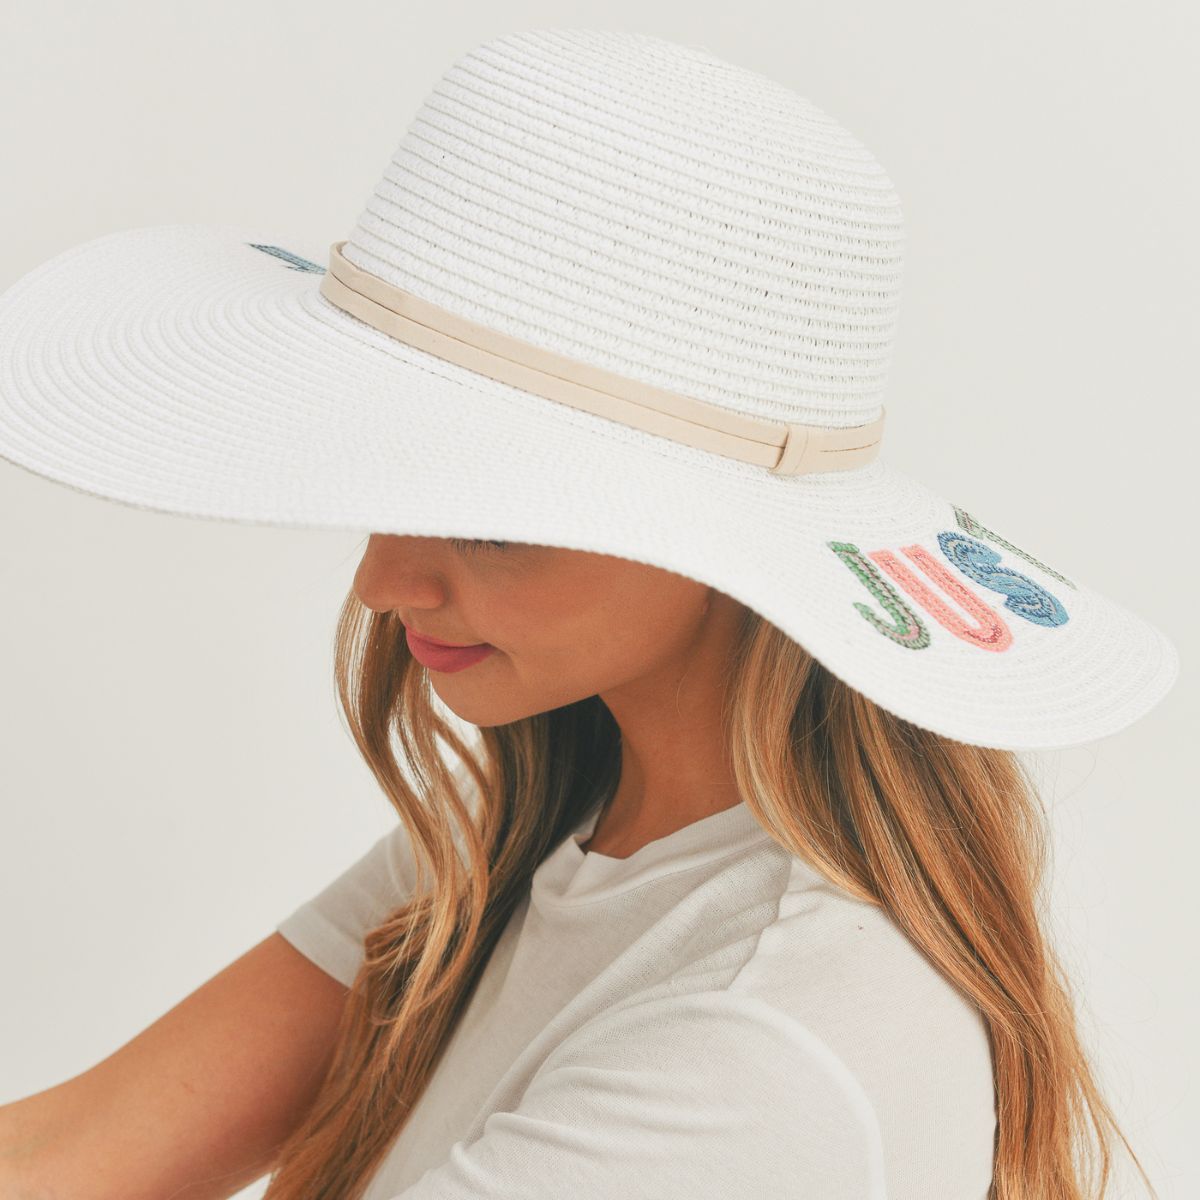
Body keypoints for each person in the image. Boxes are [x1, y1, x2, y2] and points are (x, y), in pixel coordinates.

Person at [0, 26, 1179, 1200]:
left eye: (487, 518)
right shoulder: (540, 825)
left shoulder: (762, 1049)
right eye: (388, 483)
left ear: (719, 543)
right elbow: (78, 1151)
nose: (382, 582)